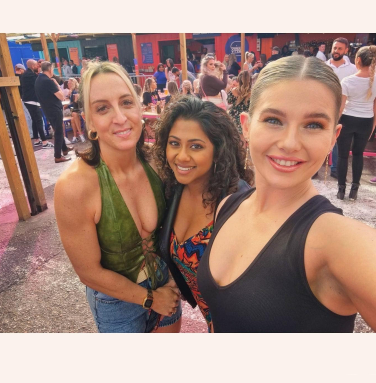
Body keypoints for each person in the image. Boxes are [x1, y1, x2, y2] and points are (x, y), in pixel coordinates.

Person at [197, 55, 376, 333]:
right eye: (273, 120)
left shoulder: (340, 242)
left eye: (313, 125)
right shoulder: (228, 206)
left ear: (334, 137)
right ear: (246, 126)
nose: (290, 143)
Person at [54, 61, 182, 333]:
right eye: (103, 108)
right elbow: (89, 272)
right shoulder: (75, 186)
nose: (121, 118)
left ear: (139, 108)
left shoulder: (157, 162)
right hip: (116, 304)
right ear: (89, 121)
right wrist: (151, 299)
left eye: (126, 102)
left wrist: (175, 275)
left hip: (166, 285)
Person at [153, 96, 253, 330]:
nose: (182, 156)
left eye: (196, 146)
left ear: (218, 151)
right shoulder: (173, 189)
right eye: (174, 143)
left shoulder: (238, 204)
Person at [336, 45, 376, 201]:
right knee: (358, 154)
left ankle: (341, 191)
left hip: (347, 119)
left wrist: (334, 125)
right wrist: (373, 126)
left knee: (343, 155)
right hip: (366, 121)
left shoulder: (347, 81)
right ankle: (354, 190)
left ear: (358, 60)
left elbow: (340, 108)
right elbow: (375, 107)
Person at [324, 37, 357, 179]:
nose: (336, 51)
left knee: (339, 140)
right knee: (320, 137)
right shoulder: (324, 67)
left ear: (346, 50)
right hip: (324, 108)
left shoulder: (353, 69)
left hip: (344, 110)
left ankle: (335, 169)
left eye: (339, 49)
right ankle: (315, 169)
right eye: (334, 48)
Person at [35, 61, 73, 163]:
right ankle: (58, 156)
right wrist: (56, 84)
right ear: (50, 69)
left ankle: (64, 149)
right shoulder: (48, 81)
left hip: (47, 108)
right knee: (59, 131)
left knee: (57, 129)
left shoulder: (38, 79)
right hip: (54, 109)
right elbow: (61, 97)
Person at [21, 59, 52, 148]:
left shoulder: (26, 74)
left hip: (29, 100)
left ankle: (36, 140)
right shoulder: (30, 75)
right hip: (32, 101)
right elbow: (39, 83)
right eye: (36, 65)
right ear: (32, 66)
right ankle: (44, 142)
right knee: (39, 120)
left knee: (35, 120)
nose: (38, 66)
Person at [227, 70, 252, 138]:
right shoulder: (253, 93)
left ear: (239, 80)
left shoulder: (233, 91)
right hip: (245, 117)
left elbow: (229, 101)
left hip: (233, 117)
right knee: (244, 138)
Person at [15, 63, 33, 138]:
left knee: (25, 115)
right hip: (24, 98)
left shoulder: (13, 78)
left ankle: (29, 133)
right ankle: (31, 133)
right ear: (20, 69)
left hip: (17, 98)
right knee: (28, 115)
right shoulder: (23, 77)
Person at [67, 77, 86, 143]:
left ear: (74, 83)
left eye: (70, 83)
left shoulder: (75, 91)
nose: (68, 84)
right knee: (73, 118)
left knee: (74, 115)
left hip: (78, 109)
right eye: (68, 83)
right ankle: (78, 136)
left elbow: (75, 105)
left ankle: (78, 135)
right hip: (75, 110)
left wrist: (68, 105)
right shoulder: (72, 91)